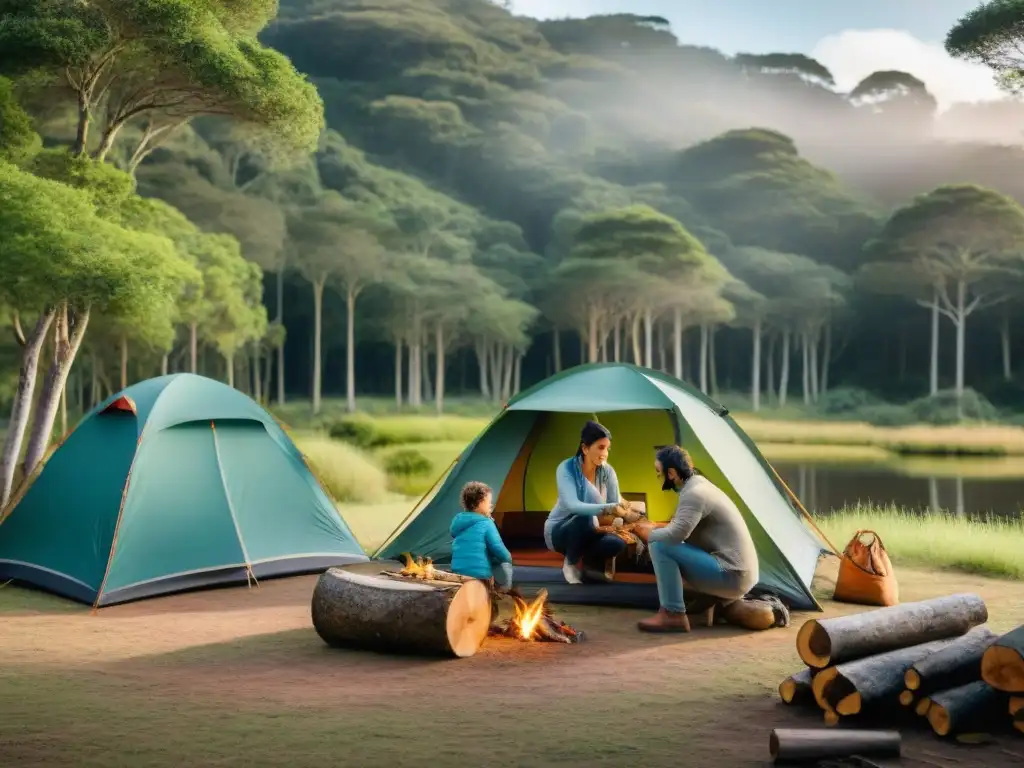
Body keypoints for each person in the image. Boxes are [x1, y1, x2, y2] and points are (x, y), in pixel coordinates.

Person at [632, 445, 759, 633]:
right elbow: (679, 525)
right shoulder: (697, 485)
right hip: (737, 571)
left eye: (659, 472)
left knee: (660, 543)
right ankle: (704, 601)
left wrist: (648, 533)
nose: (657, 477)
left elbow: (674, 535)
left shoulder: (695, 494)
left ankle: (673, 614)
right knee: (664, 540)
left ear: (672, 473)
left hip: (733, 575)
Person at [544, 420, 637, 585]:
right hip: (560, 530)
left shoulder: (607, 471)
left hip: (592, 528)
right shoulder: (566, 468)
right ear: (585, 448)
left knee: (616, 543)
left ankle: (586, 562)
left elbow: (615, 503)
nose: (605, 454)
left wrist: (624, 517)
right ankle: (570, 563)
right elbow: (573, 505)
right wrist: (610, 508)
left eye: (607, 449)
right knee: (583, 517)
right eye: (600, 448)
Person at [449, 481, 515, 589]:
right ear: (480, 502)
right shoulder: (486, 523)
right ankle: (504, 591)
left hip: (457, 573)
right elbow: (498, 549)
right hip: (480, 576)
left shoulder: (458, 522)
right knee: (504, 564)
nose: (491, 504)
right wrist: (509, 559)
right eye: (489, 501)